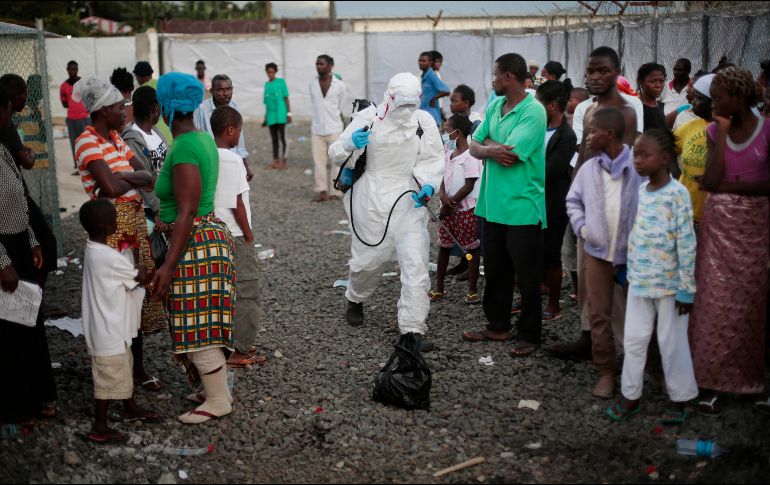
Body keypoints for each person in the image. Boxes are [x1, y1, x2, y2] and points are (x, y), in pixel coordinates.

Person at [327, 72, 444, 344]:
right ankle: (355, 297)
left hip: (408, 200)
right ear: (389, 98)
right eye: (401, 104)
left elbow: (433, 158)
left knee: (415, 264)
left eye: (411, 105)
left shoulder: (423, 121)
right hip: (371, 199)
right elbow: (335, 153)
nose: (406, 111)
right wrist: (349, 143)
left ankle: (412, 330)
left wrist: (428, 184)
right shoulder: (368, 118)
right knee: (368, 262)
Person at [150, 72, 235, 424]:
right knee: (202, 318)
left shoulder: (184, 146)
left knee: (195, 321)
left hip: (194, 242)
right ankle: (215, 390)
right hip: (206, 238)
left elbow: (186, 208)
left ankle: (217, 401)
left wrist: (167, 266)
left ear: (166, 106)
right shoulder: (200, 138)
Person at [73, 76, 166, 393]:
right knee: (118, 298)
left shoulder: (115, 138)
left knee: (137, 294)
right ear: (100, 111)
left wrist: (123, 176)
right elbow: (109, 189)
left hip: (134, 222)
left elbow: (149, 178)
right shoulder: (86, 142)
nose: (124, 112)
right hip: (111, 226)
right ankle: (119, 369)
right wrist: (131, 178)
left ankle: (136, 369)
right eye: (117, 107)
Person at [547, 47, 640, 362]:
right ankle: (589, 339)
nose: (595, 77)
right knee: (588, 279)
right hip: (587, 208)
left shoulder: (626, 112)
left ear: (616, 72)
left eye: (602, 71)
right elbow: (584, 158)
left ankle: (628, 355)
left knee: (616, 289)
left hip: (613, 212)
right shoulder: (588, 110)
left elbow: (625, 167)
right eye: (590, 71)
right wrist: (574, 200)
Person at [689, 66, 770, 417]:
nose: (714, 102)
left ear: (739, 97)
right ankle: (709, 382)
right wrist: (721, 132)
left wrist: (728, 188)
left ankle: (750, 382)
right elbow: (709, 178)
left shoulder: (767, 131)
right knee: (714, 303)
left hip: (755, 227)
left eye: (721, 97)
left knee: (752, 306)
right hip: (719, 228)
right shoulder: (712, 130)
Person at [607, 129, 698, 422]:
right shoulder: (640, 191)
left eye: (645, 155)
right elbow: (636, 235)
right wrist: (628, 270)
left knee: (672, 342)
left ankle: (682, 399)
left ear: (665, 158)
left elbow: (686, 242)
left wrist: (687, 288)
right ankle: (630, 395)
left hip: (671, 287)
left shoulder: (678, 194)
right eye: (635, 153)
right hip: (639, 283)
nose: (637, 160)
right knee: (634, 340)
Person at [461, 53, 547, 358]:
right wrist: (490, 149)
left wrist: (487, 148)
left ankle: (529, 333)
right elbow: (474, 145)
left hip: (522, 206)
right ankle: (497, 325)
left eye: (495, 75)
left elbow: (512, 153)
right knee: (495, 269)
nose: (493, 80)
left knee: (526, 275)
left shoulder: (533, 112)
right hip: (491, 205)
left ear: (509, 76)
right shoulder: (496, 105)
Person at [566, 108, 643, 399]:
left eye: (592, 132)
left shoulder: (638, 167)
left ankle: (650, 369)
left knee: (639, 315)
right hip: (596, 254)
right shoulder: (588, 170)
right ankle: (607, 372)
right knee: (598, 315)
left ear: (609, 134)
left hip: (633, 256)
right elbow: (573, 201)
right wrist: (584, 230)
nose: (587, 139)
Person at [79, 199, 160, 444]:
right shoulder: (108, 258)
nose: (117, 222)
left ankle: (130, 407)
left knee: (123, 367)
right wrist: (140, 266)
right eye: (114, 220)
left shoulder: (94, 249)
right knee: (108, 378)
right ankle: (99, 425)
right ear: (106, 227)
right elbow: (139, 277)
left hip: (110, 327)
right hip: (108, 331)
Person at [0, 84, 58, 424]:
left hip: (19, 244)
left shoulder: (4, 149)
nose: (10, 116)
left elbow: (19, 200)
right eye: (8, 108)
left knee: (27, 322)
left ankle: (34, 395)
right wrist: (3, 262)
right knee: (10, 331)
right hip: (4, 252)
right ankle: (15, 404)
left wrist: (33, 239)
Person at [211, 105, 265, 369]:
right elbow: (237, 202)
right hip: (235, 231)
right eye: (240, 130)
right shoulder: (232, 160)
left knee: (225, 291)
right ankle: (240, 350)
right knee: (248, 292)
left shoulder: (207, 155)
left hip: (216, 232)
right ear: (230, 130)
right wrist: (248, 233)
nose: (239, 135)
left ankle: (228, 342)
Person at [1, 74, 58, 290]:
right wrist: (30, 154)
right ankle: (34, 298)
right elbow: (26, 160)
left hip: (15, 196)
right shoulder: (7, 125)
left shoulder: (10, 121)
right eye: (23, 94)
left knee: (32, 243)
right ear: (13, 98)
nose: (26, 98)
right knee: (44, 244)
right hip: (13, 199)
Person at [430, 115, 483, 304]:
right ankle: (439, 287)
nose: (445, 134)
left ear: (457, 133)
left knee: (471, 249)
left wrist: (450, 203)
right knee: (444, 246)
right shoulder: (447, 153)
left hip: (465, 210)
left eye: (447, 130)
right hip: (448, 209)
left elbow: (469, 185)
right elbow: (442, 179)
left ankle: (472, 289)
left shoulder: (471, 156)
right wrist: (443, 198)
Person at [536, 80, 578, 321]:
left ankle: (554, 304)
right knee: (534, 250)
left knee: (551, 253)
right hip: (534, 199)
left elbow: (552, 171)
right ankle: (534, 294)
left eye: (539, 103)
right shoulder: (539, 128)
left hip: (553, 203)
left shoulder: (566, 135)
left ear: (551, 105)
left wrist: (523, 168)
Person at [121, 86, 169, 227]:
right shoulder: (132, 139)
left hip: (166, 202)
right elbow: (143, 178)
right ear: (155, 108)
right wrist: (157, 210)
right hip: (150, 209)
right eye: (159, 106)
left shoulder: (155, 131)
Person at [194, 74, 253, 182]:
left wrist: (245, 165)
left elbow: (240, 140)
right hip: (212, 162)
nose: (226, 94)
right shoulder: (202, 109)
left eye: (228, 89)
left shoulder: (234, 107)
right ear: (212, 91)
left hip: (233, 161)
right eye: (220, 90)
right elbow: (198, 138)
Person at [673, 74, 713, 225]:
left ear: (714, 101)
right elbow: (667, 149)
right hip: (686, 213)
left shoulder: (730, 132)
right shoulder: (690, 127)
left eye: (699, 98)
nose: (693, 102)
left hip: (715, 216)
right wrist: (677, 173)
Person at [310, 54, 346, 202]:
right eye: (317, 64)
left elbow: (341, 105)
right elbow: (315, 105)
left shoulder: (340, 85)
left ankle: (335, 191)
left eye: (322, 64)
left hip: (335, 128)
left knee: (337, 161)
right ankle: (322, 191)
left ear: (331, 65)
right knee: (319, 163)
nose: (319, 67)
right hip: (317, 129)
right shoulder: (312, 84)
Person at [60, 60, 90, 173]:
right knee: (75, 144)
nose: (72, 71)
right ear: (67, 70)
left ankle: (89, 165)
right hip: (71, 119)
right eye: (70, 69)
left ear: (77, 70)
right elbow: (64, 103)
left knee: (86, 143)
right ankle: (78, 167)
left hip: (84, 118)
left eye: (74, 69)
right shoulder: (63, 86)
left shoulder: (83, 83)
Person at [133, 61, 172, 143]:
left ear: (140, 76)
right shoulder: (162, 85)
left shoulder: (141, 91)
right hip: (170, 132)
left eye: (136, 76)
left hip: (154, 135)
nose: (136, 79)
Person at [263, 62, 291, 170]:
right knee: (274, 139)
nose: (270, 74)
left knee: (283, 138)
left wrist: (289, 113)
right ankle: (275, 161)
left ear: (275, 72)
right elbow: (267, 103)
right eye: (268, 72)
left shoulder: (281, 82)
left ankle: (284, 161)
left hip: (281, 115)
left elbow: (286, 98)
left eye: (272, 72)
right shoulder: (266, 85)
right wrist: (265, 118)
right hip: (271, 117)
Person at [418, 51, 450, 127]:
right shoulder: (423, 75)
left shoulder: (432, 75)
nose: (421, 63)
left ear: (430, 62)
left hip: (431, 116)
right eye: (420, 60)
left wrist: (433, 99)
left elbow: (446, 90)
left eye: (424, 61)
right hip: (423, 113)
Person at [637, 63, 667, 132]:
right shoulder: (637, 107)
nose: (658, 85)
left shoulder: (662, 106)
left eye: (661, 81)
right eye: (652, 81)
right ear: (641, 82)